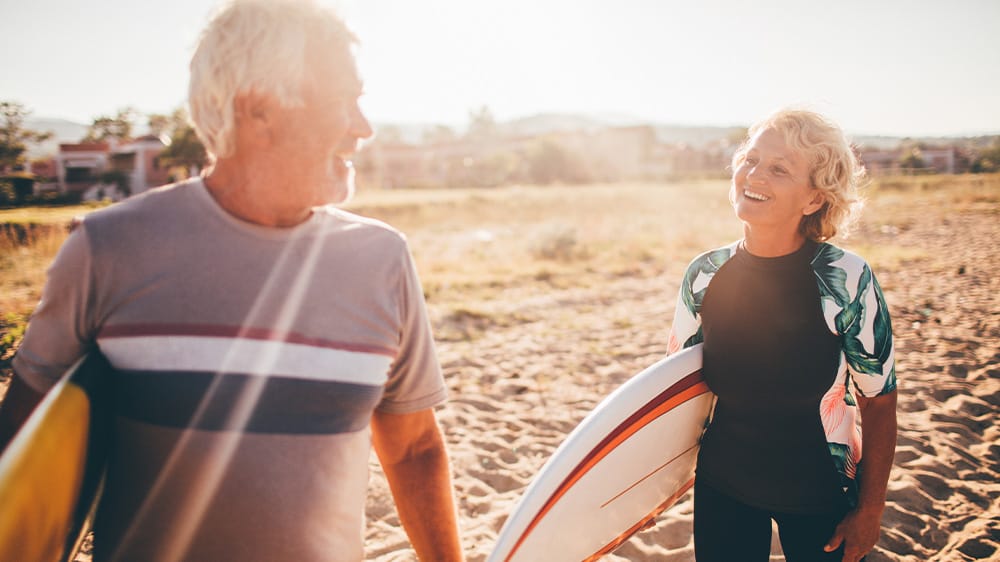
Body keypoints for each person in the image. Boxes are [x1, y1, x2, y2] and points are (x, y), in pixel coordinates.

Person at [0, 0, 464, 560]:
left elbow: (413, 448)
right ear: (258, 109)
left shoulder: (381, 258)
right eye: (344, 100)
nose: (362, 128)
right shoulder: (109, 248)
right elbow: (22, 450)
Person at [667, 109, 897, 562]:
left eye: (779, 168)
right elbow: (676, 389)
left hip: (821, 494)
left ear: (814, 199)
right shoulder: (705, 274)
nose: (754, 174)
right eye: (751, 159)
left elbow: (879, 400)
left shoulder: (845, 278)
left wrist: (870, 510)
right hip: (723, 487)